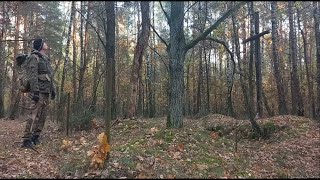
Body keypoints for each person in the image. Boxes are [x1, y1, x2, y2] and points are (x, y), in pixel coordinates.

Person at [21, 37, 56, 148]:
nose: (46, 44)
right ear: (40, 45)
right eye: (44, 42)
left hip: (46, 91)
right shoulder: (34, 57)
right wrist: (35, 92)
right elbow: (33, 76)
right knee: (33, 115)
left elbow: (49, 76)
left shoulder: (45, 59)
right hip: (38, 92)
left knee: (43, 116)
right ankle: (27, 139)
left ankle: (35, 136)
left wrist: (53, 90)